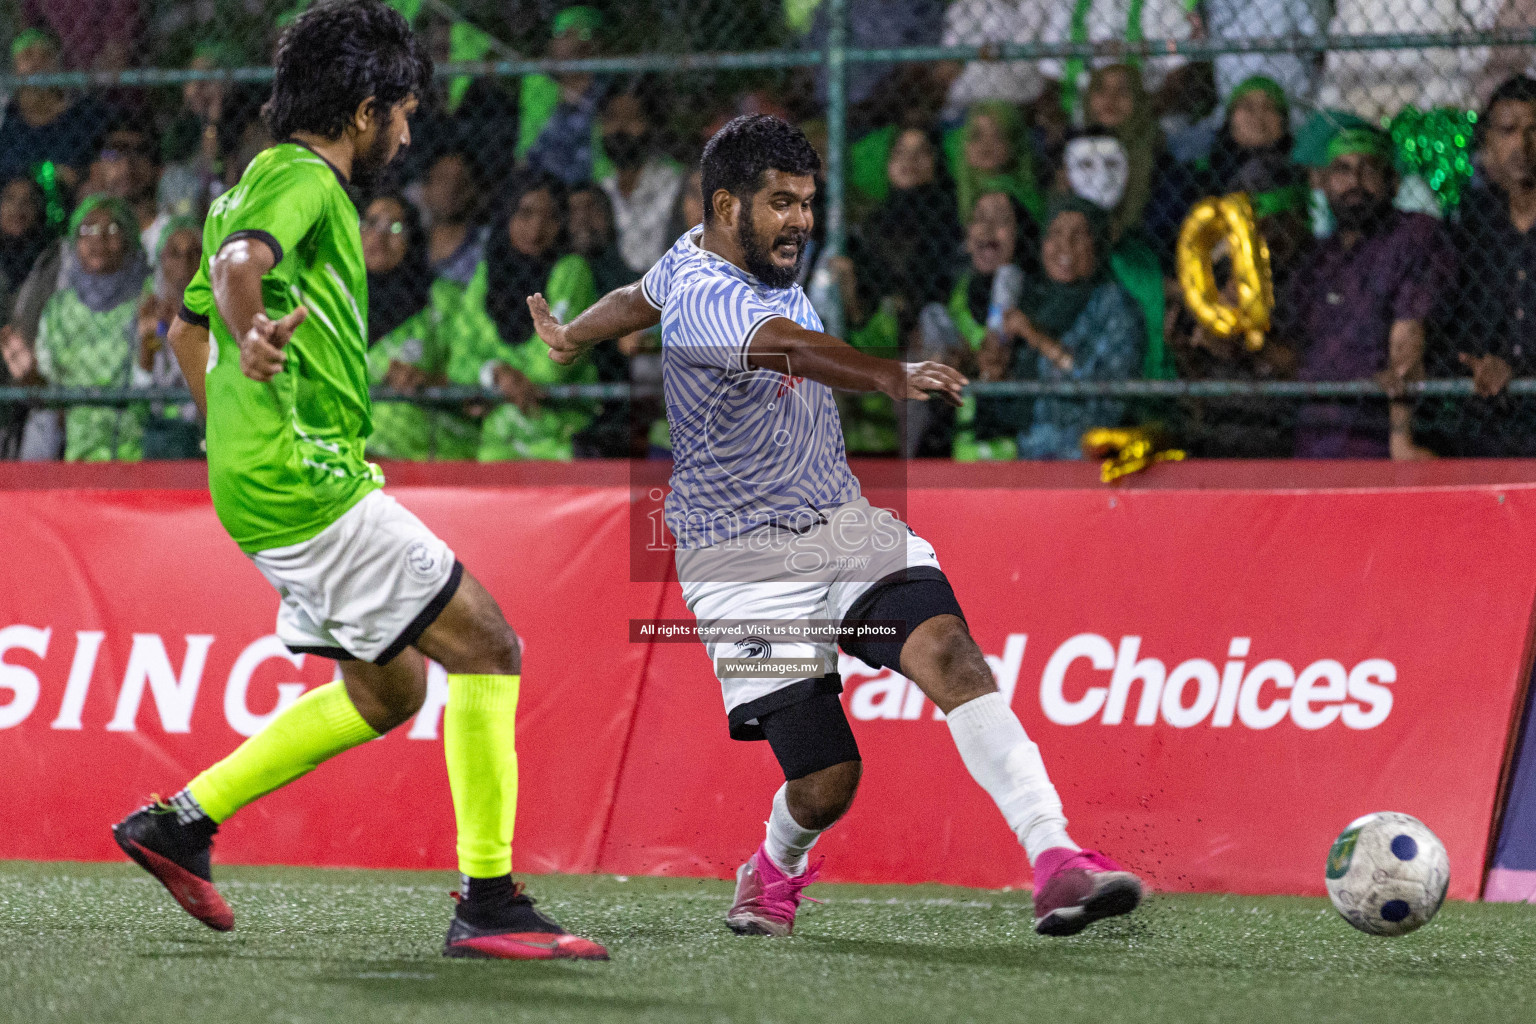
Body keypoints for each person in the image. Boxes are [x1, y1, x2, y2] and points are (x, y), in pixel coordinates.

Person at [531, 114, 1144, 939]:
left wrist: (573, 334)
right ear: (725, 205)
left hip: (840, 527)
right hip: (741, 563)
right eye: (781, 203)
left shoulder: (690, 255)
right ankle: (772, 869)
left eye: (807, 202)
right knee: (827, 780)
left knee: (950, 654)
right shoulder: (715, 295)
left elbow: (636, 299)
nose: (801, 221)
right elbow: (789, 346)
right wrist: (887, 374)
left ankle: (1055, 858)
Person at [106, 0, 606, 961]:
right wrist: (255, 338)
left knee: (390, 694)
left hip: (263, 483)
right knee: (490, 648)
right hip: (311, 482)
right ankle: (491, 902)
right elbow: (244, 273)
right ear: (366, 109)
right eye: (405, 112)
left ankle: (181, 821)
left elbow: (182, 328)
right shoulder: (304, 181)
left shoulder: (251, 182)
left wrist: (236, 427)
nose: (410, 131)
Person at [1282, 128, 1455, 459]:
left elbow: (1409, 336)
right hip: (1313, 440)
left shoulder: (1413, 236)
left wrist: (1400, 439)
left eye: (1369, 169)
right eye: (1342, 170)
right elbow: (1295, 352)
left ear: (1392, 181)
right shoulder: (1317, 259)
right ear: (1323, 182)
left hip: (1375, 439)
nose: (1355, 182)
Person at [460, 169, 599, 461]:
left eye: (551, 217)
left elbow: (554, 364)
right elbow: (458, 362)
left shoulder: (572, 271)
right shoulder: (487, 274)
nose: (537, 229)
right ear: (506, 215)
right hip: (495, 447)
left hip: (559, 445)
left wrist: (497, 381)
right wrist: (496, 373)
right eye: (525, 213)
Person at [0, 195, 149, 461]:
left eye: (112, 230)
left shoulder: (148, 301)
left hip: (137, 444)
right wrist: (30, 376)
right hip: (69, 448)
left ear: (130, 240)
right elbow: (47, 395)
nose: (98, 239)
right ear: (74, 243)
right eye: (87, 229)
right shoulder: (58, 308)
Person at [996, 196, 1144, 459]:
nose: (1065, 245)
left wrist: (1037, 338)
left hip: (1085, 451)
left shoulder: (1114, 304)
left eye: (1079, 235)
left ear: (1097, 245)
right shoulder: (1035, 300)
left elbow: (1106, 383)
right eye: (1055, 234)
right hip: (1028, 451)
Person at [1436, 75, 1536, 456]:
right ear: (1488, 146)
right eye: (1508, 131)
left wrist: (1520, 372)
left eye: (1533, 130)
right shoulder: (1471, 223)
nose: (1522, 146)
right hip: (1483, 418)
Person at [362, 193, 477, 461]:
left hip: (431, 455)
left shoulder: (444, 300)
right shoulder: (336, 299)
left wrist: (428, 383)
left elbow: (476, 376)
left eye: (395, 227)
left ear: (413, 238)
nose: (379, 237)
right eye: (369, 223)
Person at [0, 29, 109, 196]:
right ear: (14, 68)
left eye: (45, 56)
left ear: (59, 65)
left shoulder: (85, 115)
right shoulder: (6, 117)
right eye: (27, 55)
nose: (37, 63)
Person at [135, 216, 204, 459]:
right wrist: (148, 343)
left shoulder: (218, 312)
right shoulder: (148, 309)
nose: (185, 263)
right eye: (175, 253)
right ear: (161, 260)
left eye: (194, 253)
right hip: (159, 430)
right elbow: (140, 387)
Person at [597, 84, 684, 276]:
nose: (620, 128)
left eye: (631, 118)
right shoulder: (603, 188)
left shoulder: (672, 183)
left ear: (650, 125)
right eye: (612, 118)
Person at [518, 6, 605, 185]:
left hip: (596, 183)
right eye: (559, 34)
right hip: (546, 182)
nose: (556, 42)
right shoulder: (539, 86)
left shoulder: (605, 87)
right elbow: (526, 152)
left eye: (565, 34)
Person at [954, 100, 1043, 226]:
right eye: (976, 135)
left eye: (997, 136)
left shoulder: (1025, 203)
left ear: (1014, 144)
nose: (986, 145)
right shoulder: (954, 195)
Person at [419, 149, 484, 286]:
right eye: (442, 178)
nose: (451, 189)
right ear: (426, 188)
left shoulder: (485, 246)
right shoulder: (409, 240)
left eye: (462, 181)